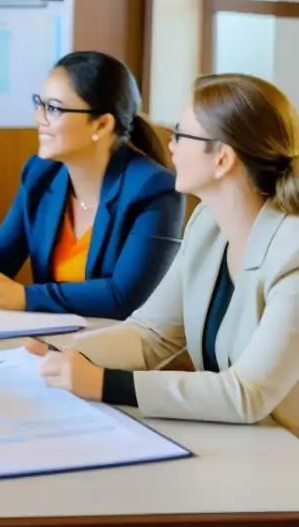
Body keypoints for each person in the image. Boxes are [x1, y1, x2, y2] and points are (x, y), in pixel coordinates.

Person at [25, 73, 299, 435]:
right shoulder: (206, 223)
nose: (169, 145)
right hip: (243, 442)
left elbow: (247, 393)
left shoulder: (291, 254)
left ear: (222, 159)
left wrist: (104, 383)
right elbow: (152, 335)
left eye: (182, 135)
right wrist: (61, 351)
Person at [0, 52, 185, 319]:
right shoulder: (40, 173)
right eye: (39, 104)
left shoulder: (154, 189)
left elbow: (123, 297)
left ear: (101, 125)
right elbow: (0, 254)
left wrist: (23, 296)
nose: (38, 118)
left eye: (53, 108)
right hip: (53, 338)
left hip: (117, 346)